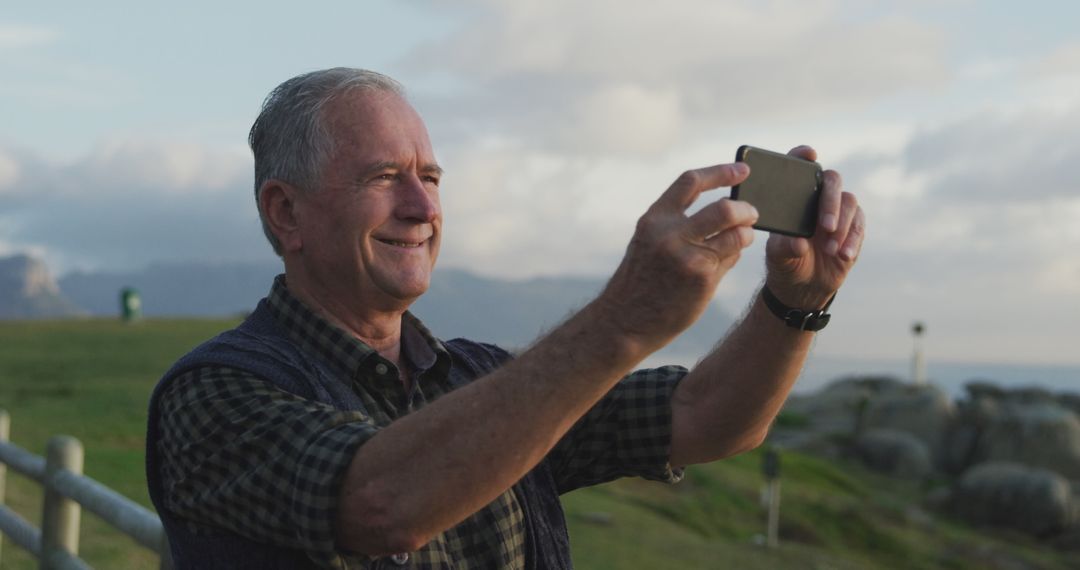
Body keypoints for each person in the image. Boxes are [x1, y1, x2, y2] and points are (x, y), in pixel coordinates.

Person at [145, 67, 864, 569]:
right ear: (285, 212)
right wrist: (624, 319)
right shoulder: (212, 395)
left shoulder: (488, 379)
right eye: (383, 177)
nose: (424, 209)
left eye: (429, 178)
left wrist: (796, 302)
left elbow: (707, 418)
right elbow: (380, 503)